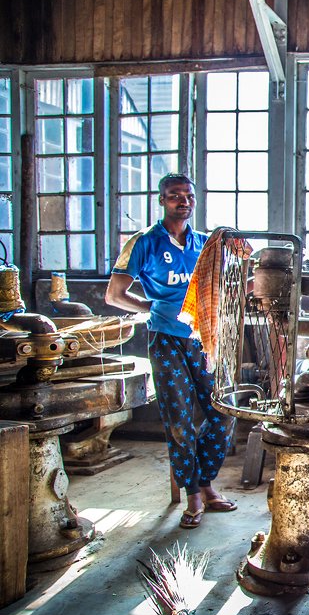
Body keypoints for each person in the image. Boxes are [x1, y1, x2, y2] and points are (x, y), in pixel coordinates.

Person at [105, 173, 237, 529]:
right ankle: (193, 494)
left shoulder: (205, 244)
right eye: (175, 195)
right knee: (179, 421)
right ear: (162, 200)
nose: (184, 201)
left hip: (203, 339)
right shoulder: (144, 242)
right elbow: (114, 295)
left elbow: (228, 283)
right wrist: (151, 309)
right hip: (165, 339)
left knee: (224, 412)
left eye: (189, 196)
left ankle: (207, 483)